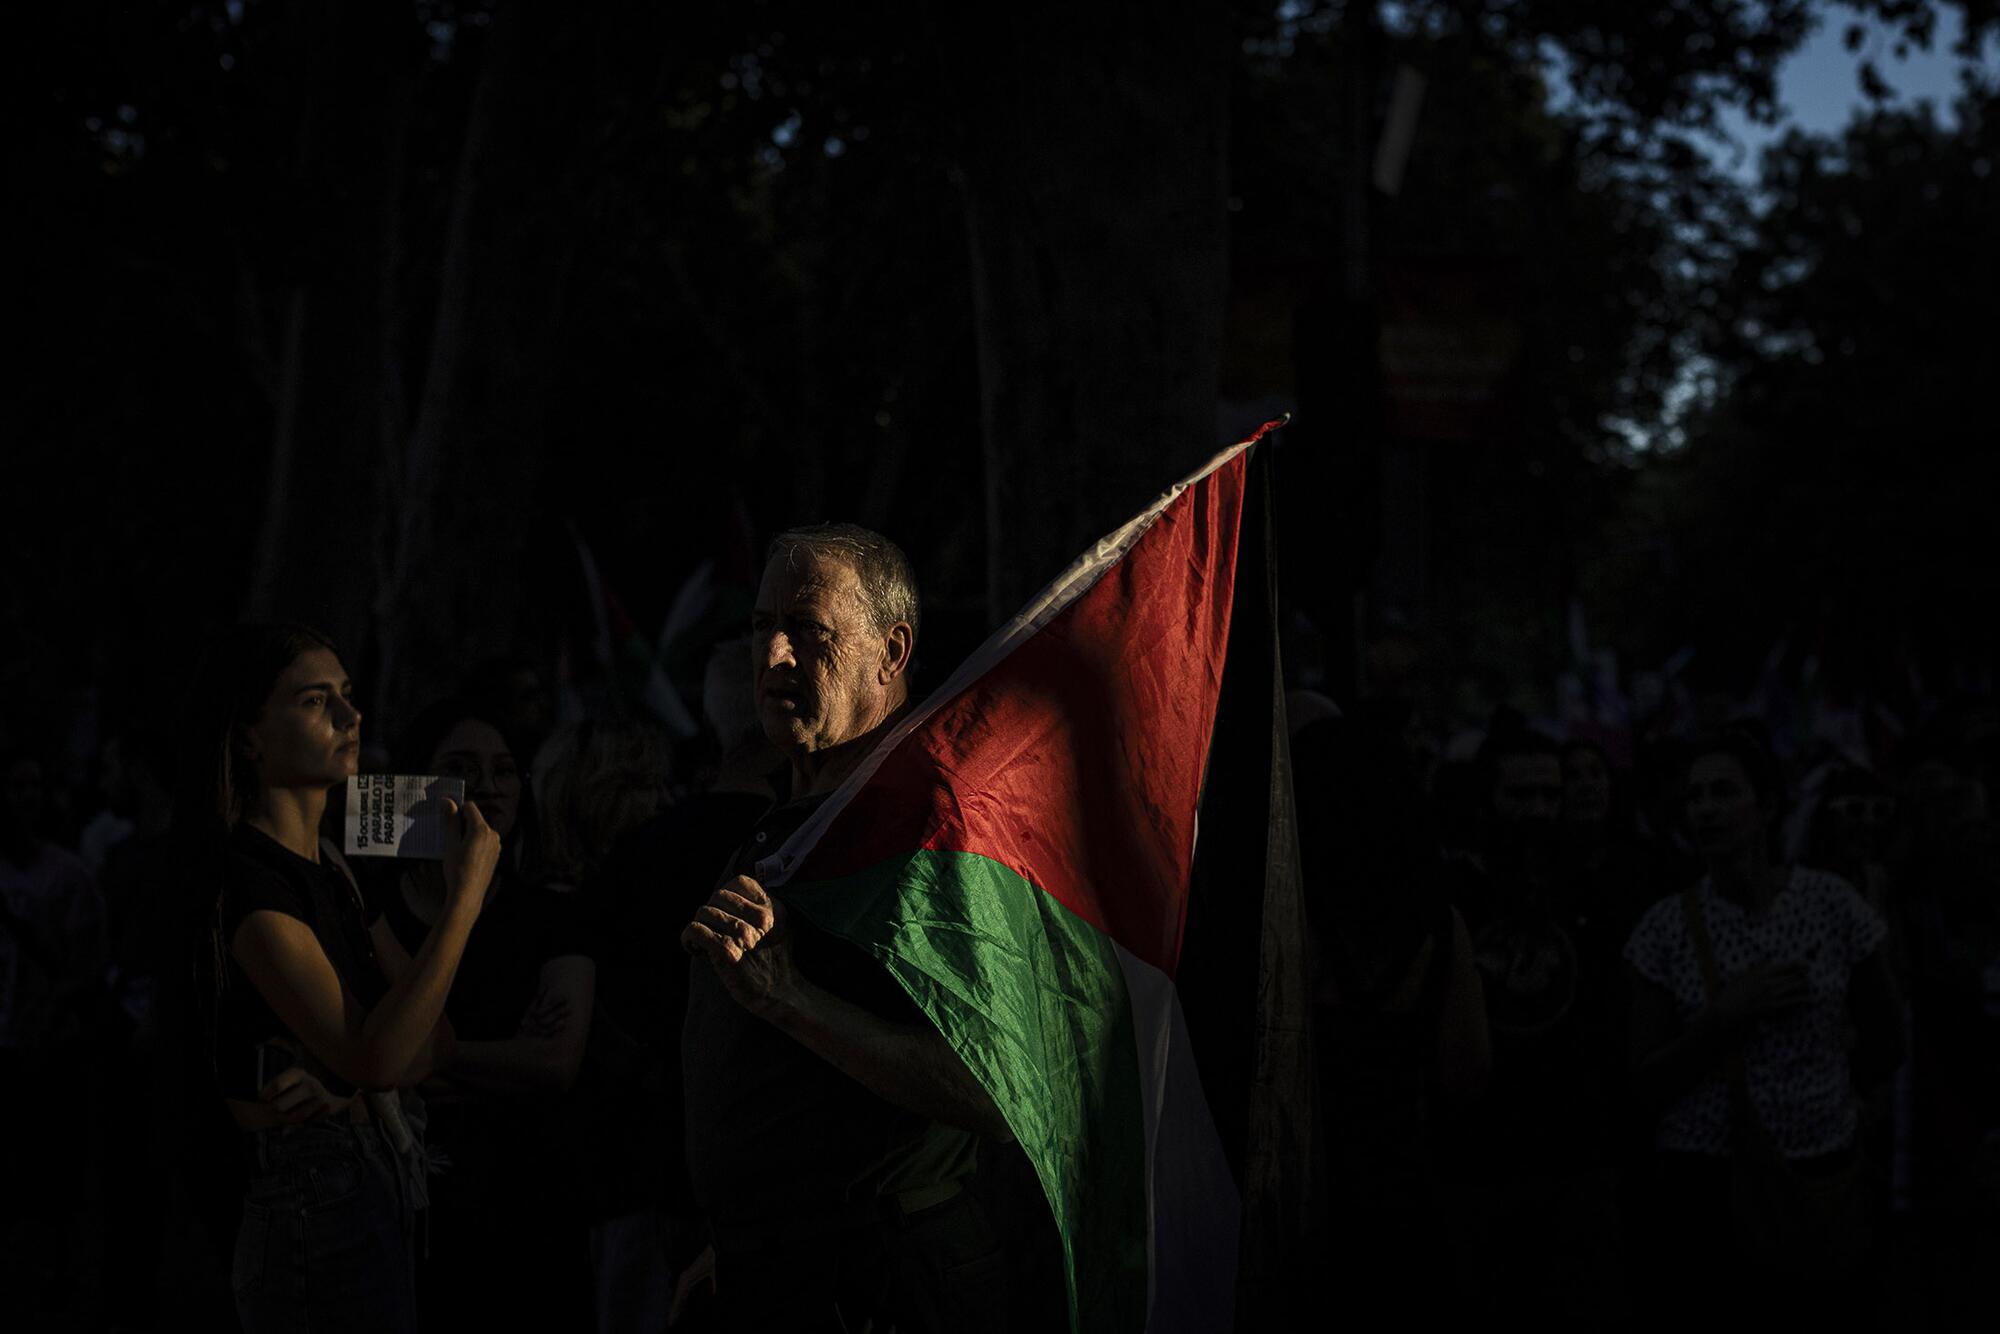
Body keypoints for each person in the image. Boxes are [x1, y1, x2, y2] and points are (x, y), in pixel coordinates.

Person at [678, 524, 1013, 1334]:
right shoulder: (796, 813)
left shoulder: (929, 822)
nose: (776, 657)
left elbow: (993, 1084)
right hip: (778, 1269)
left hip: (882, 1282)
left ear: (891, 651)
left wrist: (789, 998)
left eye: (810, 631)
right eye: (763, 628)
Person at [180, 624, 500, 1334]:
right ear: (250, 736)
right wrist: (464, 902)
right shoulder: (254, 893)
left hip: (366, 1178)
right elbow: (385, 1055)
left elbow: (433, 1041)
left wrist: (351, 1077)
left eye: (348, 698)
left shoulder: (335, 865)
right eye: (316, 701)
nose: (351, 719)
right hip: (312, 1200)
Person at [1623, 727, 1903, 1327]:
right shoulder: (1665, 928)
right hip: (1707, 1186)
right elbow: (1641, 1081)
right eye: (1694, 796)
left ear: (1767, 805)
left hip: (1821, 1170)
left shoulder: (1831, 905)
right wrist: (1721, 1021)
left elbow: (1887, 1035)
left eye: (1724, 792)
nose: (1705, 810)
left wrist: (1839, 1094)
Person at [375, 698, 596, 1331]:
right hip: (399, 1218)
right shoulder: (373, 912)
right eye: (462, 767)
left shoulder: (551, 919)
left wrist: (433, 1057)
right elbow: (365, 1063)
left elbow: (555, 1062)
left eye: (504, 770)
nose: (489, 787)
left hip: (526, 1209)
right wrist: (498, 1058)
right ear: (416, 782)